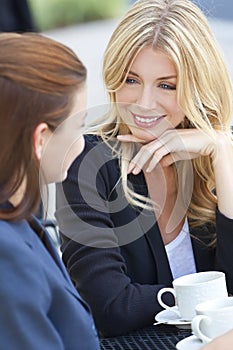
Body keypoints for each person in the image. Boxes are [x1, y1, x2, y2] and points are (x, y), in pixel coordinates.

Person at [55, 0, 233, 337]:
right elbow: (110, 307)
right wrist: (208, 299)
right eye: (131, 80)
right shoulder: (88, 164)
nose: (143, 103)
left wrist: (222, 153)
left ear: (198, 87)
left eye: (166, 85)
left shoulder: (219, 155)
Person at [0, 32, 100, 349]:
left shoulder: (18, 218)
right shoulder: (7, 256)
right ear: (41, 139)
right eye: (79, 126)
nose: (82, 143)